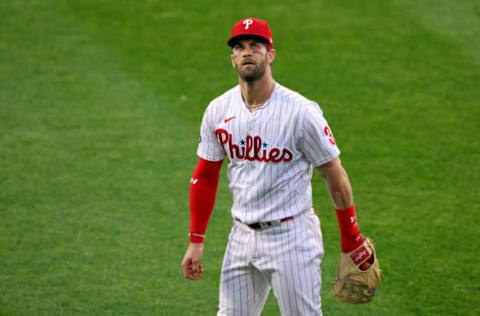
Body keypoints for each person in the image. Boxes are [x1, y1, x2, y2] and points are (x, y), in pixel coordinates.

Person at [181, 17, 374, 315]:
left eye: (255, 46)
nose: (247, 52)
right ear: (232, 58)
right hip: (241, 237)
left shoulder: (301, 113)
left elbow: (334, 174)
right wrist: (196, 240)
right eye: (240, 47)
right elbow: (205, 176)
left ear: (270, 54)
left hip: (292, 238)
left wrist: (351, 236)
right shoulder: (218, 110)